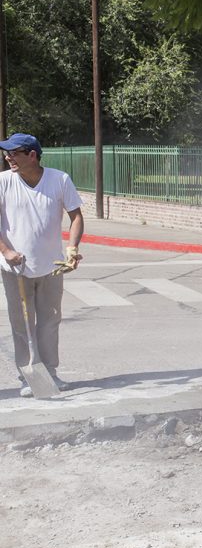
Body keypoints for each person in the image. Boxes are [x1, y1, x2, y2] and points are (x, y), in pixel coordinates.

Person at [0, 133, 84, 397]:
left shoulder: (59, 180)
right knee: (22, 323)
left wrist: (72, 249)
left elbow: (76, 216)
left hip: (52, 266)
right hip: (16, 267)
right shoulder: (3, 182)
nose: (7, 157)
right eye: (7, 153)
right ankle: (29, 376)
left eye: (13, 153)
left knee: (49, 321)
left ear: (32, 155)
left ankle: (50, 372)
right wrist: (6, 251)